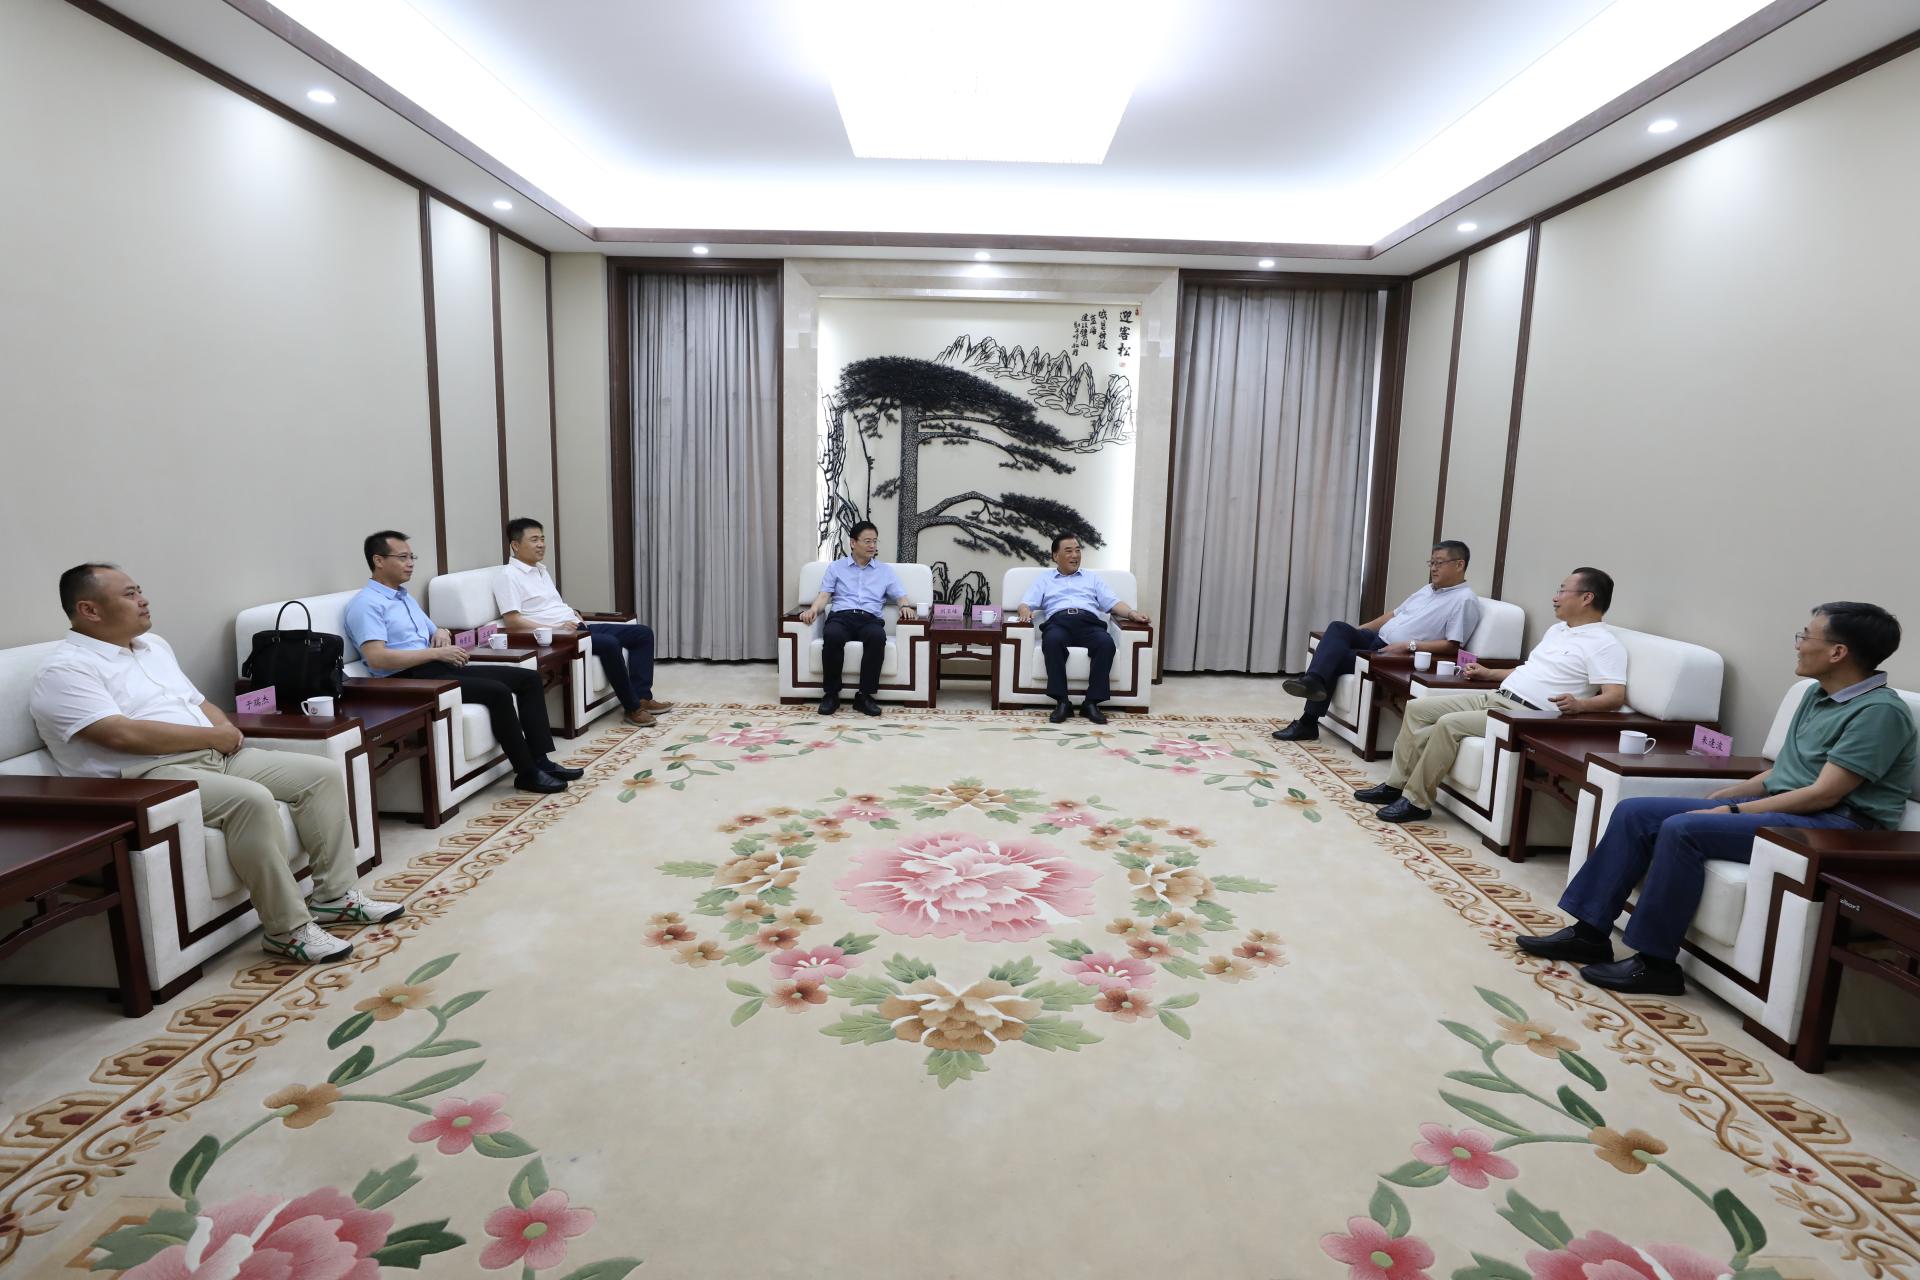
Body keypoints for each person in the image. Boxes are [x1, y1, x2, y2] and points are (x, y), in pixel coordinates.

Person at [1519, 602, 1916, 995]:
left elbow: (1824, 793)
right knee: (1634, 812)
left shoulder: (1879, 713)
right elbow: (1788, 771)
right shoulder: (1816, 693)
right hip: (1793, 809)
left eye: (1806, 637)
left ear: (1837, 652)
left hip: (1837, 827)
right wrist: (1732, 792)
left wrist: (1734, 810)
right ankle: (1589, 934)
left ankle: (1656, 965)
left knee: (1683, 829)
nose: (1797, 645)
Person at [31, 565, 401, 964]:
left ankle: (335, 898)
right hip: (146, 774)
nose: (143, 600)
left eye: (139, 590)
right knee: (251, 800)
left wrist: (223, 728)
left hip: (213, 754)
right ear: (89, 610)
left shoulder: (153, 646)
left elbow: (197, 702)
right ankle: (287, 930)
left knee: (320, 775)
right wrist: (211, 737)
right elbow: (120, 734)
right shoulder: (66, 669)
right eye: (129, 594)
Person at [1355, 568, 1628, 824]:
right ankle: (1394, 786)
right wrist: (1488, 673)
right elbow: (1529, 670)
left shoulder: (1603, 644)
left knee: (1448, 724)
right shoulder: (1557, 630)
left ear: (1586, 598)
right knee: (1418, 709)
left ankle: (1416, 802)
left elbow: (1614, 696)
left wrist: (1580, 705)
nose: (1555, 598)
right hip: (1498, 695)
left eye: (1562, 591)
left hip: (1528, 714)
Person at [344, 531, 581, 795]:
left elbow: (434, 629)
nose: (410, 563)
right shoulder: (366, 605)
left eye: (412, 557)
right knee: (497, 692)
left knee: (528, 678)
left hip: (434, 668)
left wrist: (441, 632)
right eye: (402, 557)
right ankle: (526, 773)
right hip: (405, 680)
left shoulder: (403, 596)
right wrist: (435, 654)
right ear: (378, 560)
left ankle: (541, 761)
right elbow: (377, 658)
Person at [1274, 540, 1481, 741]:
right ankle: (1313, 681)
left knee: (1336, 658)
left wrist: (1408, 646)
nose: (1433, 568)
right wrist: (1355, 632)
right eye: (1431, 563)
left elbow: (1453, 646)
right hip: (1376, 638)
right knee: (1338, 628)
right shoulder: (1427, 590)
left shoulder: (1464, 600)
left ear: (1459, 564)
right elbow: (1393, 614)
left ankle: (1308, 721)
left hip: (1396, 654)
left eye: (1439, 563)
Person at [494, 517, 675, 728]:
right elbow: (512, 621)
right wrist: (555, 628)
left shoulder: (540, 570)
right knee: (609, 643)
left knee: (642, 633)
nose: (541, 544)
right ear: (515, 545)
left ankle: (642, 697)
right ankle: (632, 707)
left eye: (542, 539)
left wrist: (573, 612)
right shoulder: (508, 576)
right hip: (557, 636)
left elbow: (550, 604)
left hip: (575, 627)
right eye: (534, 540)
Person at [1016, 533, 1150, 725]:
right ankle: (1062, 702)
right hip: (1059, 622)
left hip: (1089, 623)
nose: (1075, 555)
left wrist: (1132, 614)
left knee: (1106, 643)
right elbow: (1025, 603)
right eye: (1069, 551)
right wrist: (1025, 611)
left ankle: (1091, 703)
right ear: (1055, 556)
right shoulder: (1044, 579)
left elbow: (1113, 603)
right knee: (1052, 641)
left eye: (1078, 550)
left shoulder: (1091, 578)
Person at [798, 522, 919, 716]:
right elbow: (824, 596)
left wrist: (905, 606)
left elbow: (900, 596)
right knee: (832, 634)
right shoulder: (836, 568)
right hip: (841, 617)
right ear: (853, 543)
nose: (872, 546)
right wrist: (812, 610)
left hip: (870, 619)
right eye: (867, 541)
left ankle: (864, 696)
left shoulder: (884, 571)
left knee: (877, 637)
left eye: (875, 541)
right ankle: (831, 694)